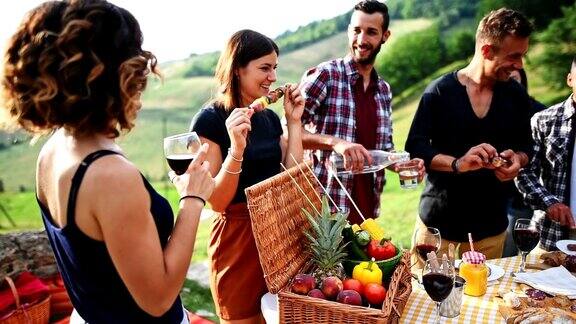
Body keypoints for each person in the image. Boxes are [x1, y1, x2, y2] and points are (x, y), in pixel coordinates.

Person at [1, 1, 215, 323]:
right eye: (136, 58)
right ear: (116, 74)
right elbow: (157, 299)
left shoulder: (53, 150)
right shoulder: (110, 174)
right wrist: (193, 199)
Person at [190, 30, 304, 324]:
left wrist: (293, 122)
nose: (273, 77)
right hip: (237, 242)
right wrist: (236, 149)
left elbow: (290, 176)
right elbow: (216, 201)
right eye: (265, 68)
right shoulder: (211, 119)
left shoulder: (266, 117)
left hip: (275, 236)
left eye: (275, 68)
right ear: (238, 69)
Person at [405, 8, 534, 265]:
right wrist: (457, 163)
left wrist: (518, 159)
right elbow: (416, 147)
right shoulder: (439, 92)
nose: (519, 65)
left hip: (491, 233)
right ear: (487, 51)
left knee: (482, 303)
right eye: (514, 56)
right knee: (430, 302)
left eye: (523, 56)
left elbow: (527, 145)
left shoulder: (516, 95)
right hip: (438, 233)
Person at [299, 0, 424, 225]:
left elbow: (382, 150)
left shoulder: (383, 90)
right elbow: (286, 131)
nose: (362, 40)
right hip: (323, 215)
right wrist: (336, 143)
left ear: (385, 36)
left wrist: (402, 163)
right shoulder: (326, 75)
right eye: (356, 30)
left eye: (371, 32)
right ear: (349, 31)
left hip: (367, 217)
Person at [516, 57, 576, 251]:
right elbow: (523, 171)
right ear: (570, 79)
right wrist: (550, 203)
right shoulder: (544, 120)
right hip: (550, 237)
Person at [502, 68, 547, 257]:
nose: (509, 84)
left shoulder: (539, 112)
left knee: (512, 249)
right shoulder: (495, 111)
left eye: (513, 79)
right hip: (496, 195)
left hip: (522, 198)